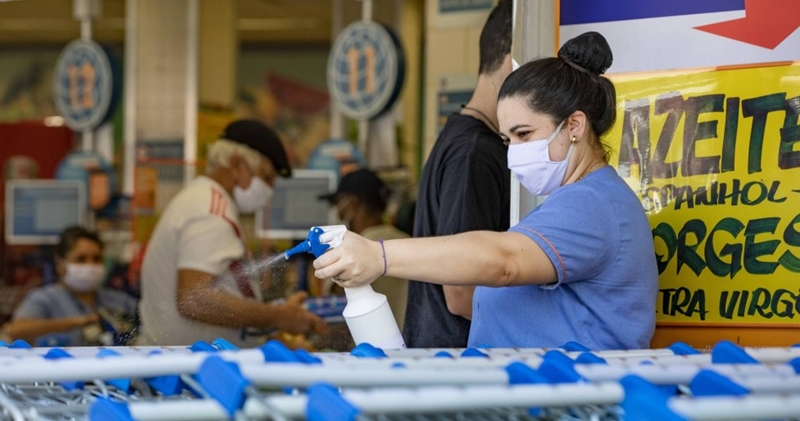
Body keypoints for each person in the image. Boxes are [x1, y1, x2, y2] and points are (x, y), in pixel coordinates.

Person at [313, 32, 659, 350]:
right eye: (507, 140)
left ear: (574, 126)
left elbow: (504, 261)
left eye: (524, 134)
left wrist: (380, 256)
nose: (514, 153)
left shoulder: (592, 204)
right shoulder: (574, 201)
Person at [137, 119, 325, 346]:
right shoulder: (210, 211)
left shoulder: (205, 202)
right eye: (267, 177)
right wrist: (280, 317)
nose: (271, 189)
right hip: (184, 372)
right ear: (237, 165)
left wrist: (267, 338)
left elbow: (221, 293)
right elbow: (194, 300)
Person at [404, 0, 513, 348]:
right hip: (457, 365)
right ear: (515, 59)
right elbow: (462, 292)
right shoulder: (474, 154)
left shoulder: (465, 141)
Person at [5, 226, 138, 346]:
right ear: (60, 265)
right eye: (81, 259)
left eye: (96, 259)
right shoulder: (45, 299)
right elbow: (15, 330)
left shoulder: (117, 300)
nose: (90, 266)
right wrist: (79, 322)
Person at [320, 168, 409, 329]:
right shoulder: (407, 242)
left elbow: (334, 305)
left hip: (366, 347)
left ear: (352, 203)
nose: (337, 212)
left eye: (337, 203)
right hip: (406, 343)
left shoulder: (352, 251)